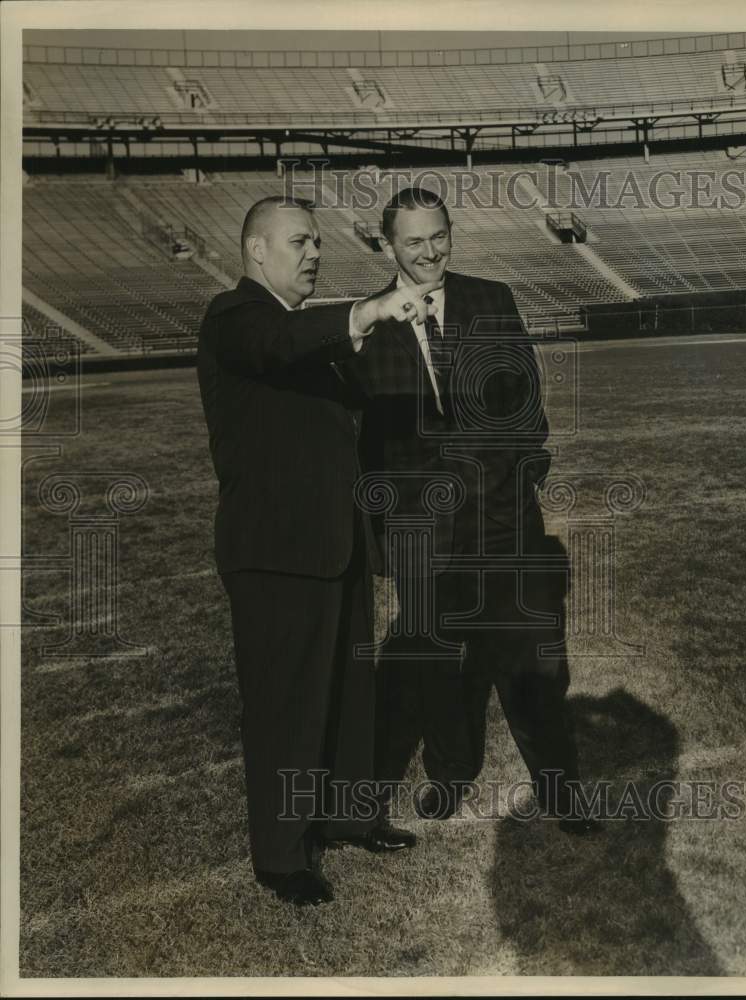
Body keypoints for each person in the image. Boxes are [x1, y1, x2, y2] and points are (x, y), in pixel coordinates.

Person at [196, 195, 442, 906]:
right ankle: (280, 855)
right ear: (256, 253)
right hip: (274, 552)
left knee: (346, 691)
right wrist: (364, 313)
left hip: (335, 544)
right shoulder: (235, 317)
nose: (313, 254)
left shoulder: (306, 334)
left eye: (316, 244)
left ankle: (348, 816)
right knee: (285, 704)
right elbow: (277, 345)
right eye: (298, 242)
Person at [354, 186, 600, 834]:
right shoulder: (366, 327)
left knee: (533, 668)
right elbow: (371, 450)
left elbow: (526, 410)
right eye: (414, 241)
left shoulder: (492, 300)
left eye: (438, 236)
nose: (430, 251)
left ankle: (561, 790)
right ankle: (448, 774)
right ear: (388, 245)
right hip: (422, 539)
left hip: (503, 522)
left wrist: (504, 489)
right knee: (437, 670)